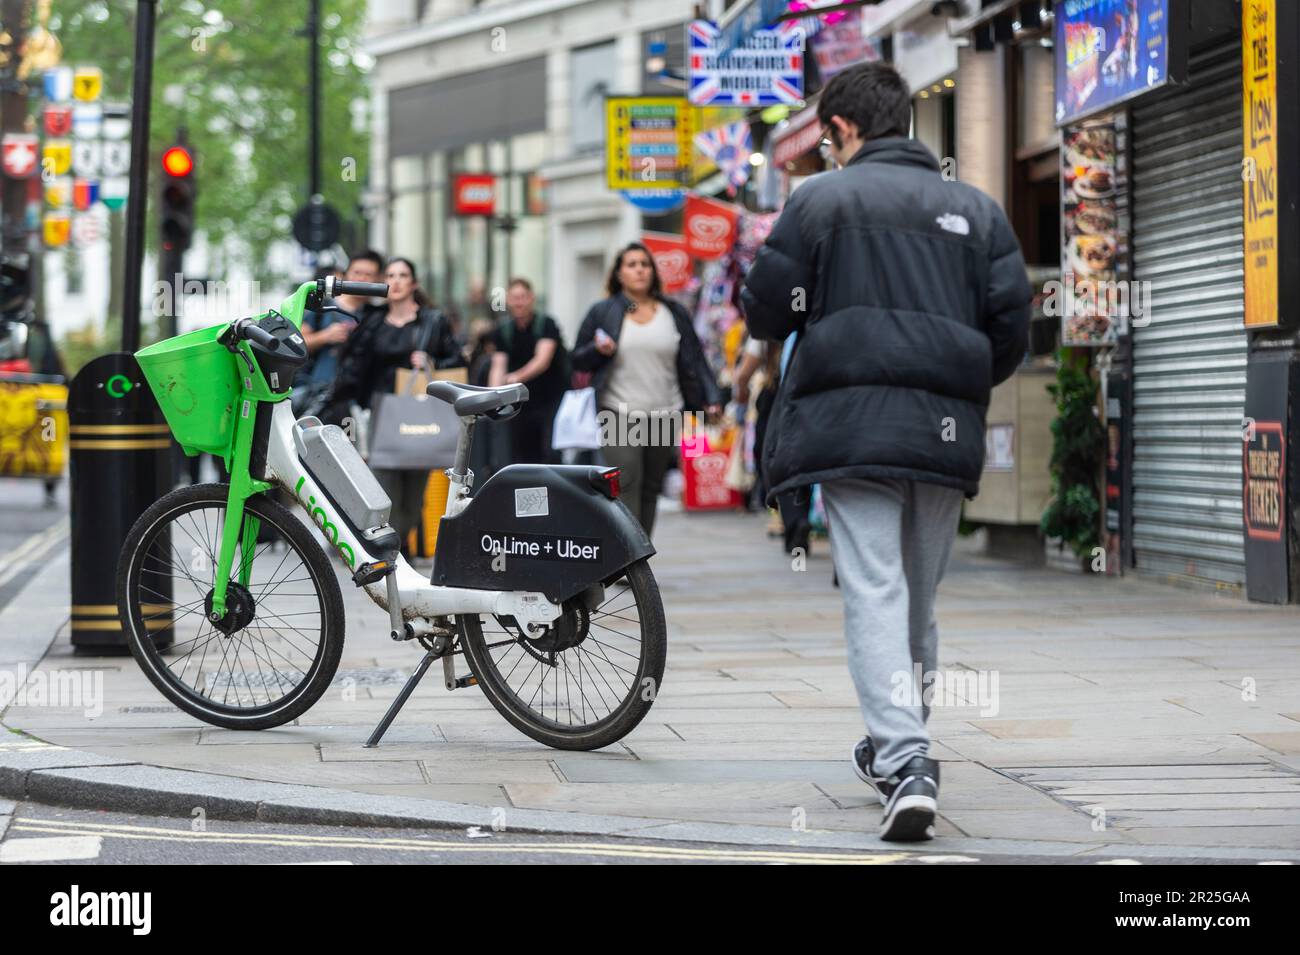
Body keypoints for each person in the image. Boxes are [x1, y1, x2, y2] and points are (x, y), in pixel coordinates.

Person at [741, 62, 1031, 841]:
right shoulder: (976, 208)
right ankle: (898, 749)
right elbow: (1012, 330)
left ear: (840, 131)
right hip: (942, 431)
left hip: (850, 427)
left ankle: (906, 759)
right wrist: (956, 382)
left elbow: (767, 308)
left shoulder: (819, 202)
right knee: (916, 595)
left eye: (826, 139)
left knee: (873, 586)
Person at [572, 243, 721, 537]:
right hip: (619, 411)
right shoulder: (604, 311)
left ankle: (639, 562)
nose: (639, 269)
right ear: (619, 273)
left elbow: (695, 358)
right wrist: (598, 350)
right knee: (626, 481)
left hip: (665, 411)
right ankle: (626, 556)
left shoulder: (673, 311)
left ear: (653, 272)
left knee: (652, 487)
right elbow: (576, 358)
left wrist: (711, 398)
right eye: (631, 264)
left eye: (645, 264)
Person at [332, 257, 464, 549]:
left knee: (414, 495)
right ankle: (386, 551)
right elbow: (353, 365)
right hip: (380, 413)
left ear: (414, 283)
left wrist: (432, 361)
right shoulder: (373, 321)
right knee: (382, 484)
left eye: (403, 275)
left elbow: (457, 361)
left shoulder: (432, 320)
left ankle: (400, 545)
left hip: (418, 413)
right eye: (391, 275)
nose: (397, 280)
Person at [294, 250, 384, 419]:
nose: (362, 279)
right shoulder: (323, 307)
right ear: (345, 275)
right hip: (320, 397)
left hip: (360, 403)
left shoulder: (378, 315)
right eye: (357, 273)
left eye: (369, 274)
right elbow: (296, 344)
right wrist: (325, 336)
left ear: (378, 279)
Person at [488, 278, 567, 465]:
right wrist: (491, 395)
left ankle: (552, 490)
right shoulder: (503, 331)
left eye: (523, 297)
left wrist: (514, 378)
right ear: (508, 300)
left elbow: (542, 361)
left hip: (550, 399)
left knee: (550, 451)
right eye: (515, 298)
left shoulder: (547, 325)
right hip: (520, 403)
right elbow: (498, 365)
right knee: (521, 453)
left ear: (531, 298)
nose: (519, 302)